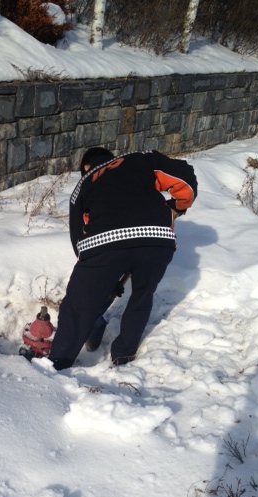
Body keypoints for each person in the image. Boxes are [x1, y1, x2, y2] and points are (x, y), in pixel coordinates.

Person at [48, 147, 198, 371]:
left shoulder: (83, 185)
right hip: (156, 240)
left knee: (77, 306)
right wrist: (176, 207)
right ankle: (123, 355)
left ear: (86, 167)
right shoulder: (140, 158)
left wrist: (97, 273)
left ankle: (57, 363)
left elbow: (79, 239)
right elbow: (185, 180)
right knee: (142, 296)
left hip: (106, 244)